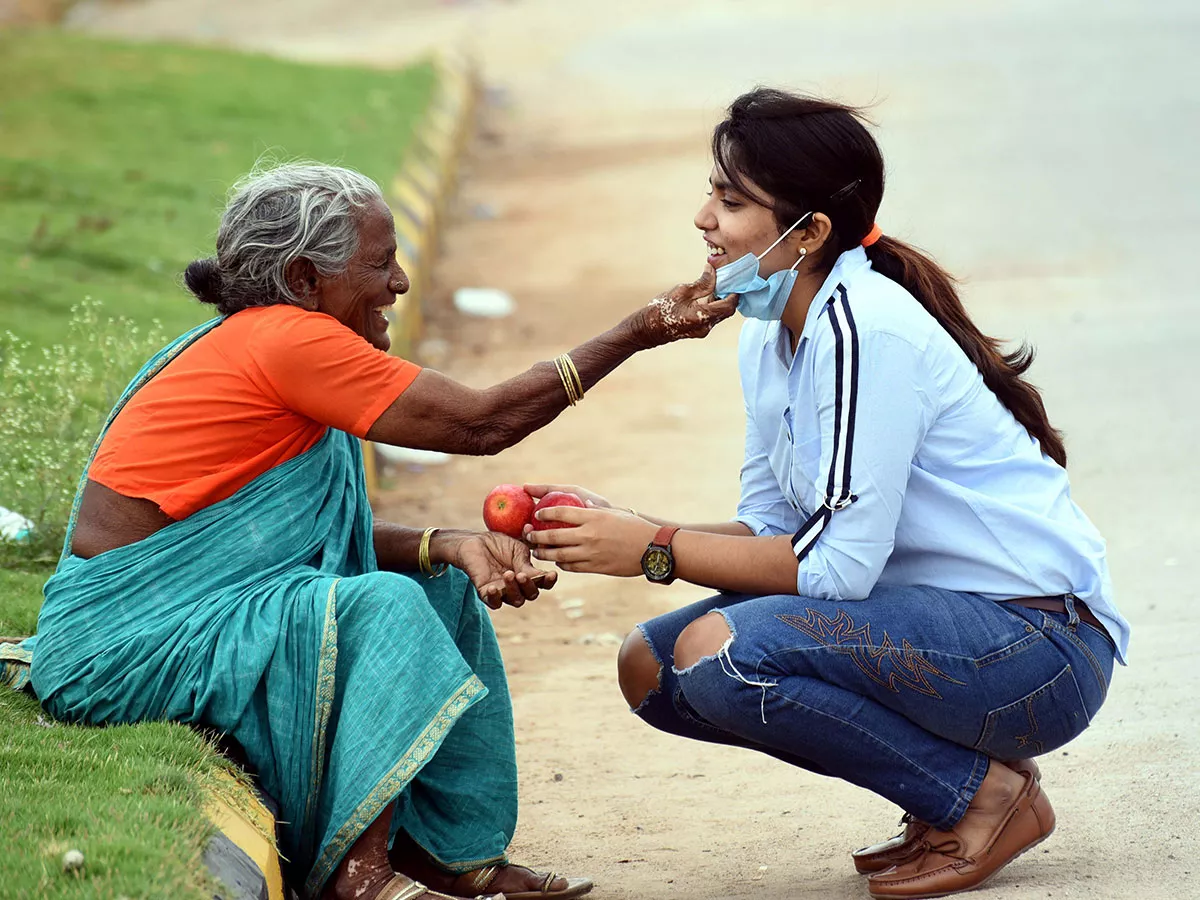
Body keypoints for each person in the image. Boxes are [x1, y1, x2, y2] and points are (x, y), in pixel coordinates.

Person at [8, 162, 735, 900]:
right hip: (121, 647)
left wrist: (445, 543)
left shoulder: (272, 339)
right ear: (302, 278)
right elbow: (482, 423)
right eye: (381, 263)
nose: (400, 284)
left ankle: (444, 852)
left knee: (442, 588)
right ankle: (357, 875)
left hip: (185, 615)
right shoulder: (288, 341)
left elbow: (274, 538)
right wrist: (638, 331)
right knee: (385, 607)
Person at [525, 89, 1129, 900]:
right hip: (939, 629)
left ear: (809, 232)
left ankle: (986, 799)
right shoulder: (771, 336)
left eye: (731, 200)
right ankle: (944, 793)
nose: (703, 217)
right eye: (711, 190)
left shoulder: (865, 329)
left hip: (1036, 649)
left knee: (722, 654)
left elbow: (834, 569)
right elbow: (770, 531)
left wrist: (655, 547)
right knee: (653, 667)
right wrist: (623, 528)